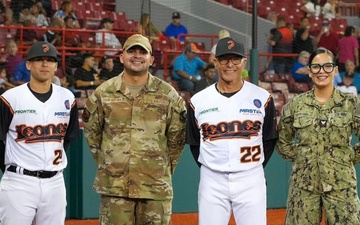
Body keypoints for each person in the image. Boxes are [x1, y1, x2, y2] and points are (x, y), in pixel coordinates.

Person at [82, 34, 187, 225]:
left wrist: (158, 169)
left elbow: (176, 140)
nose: (137, 56)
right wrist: (113, 162)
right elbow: (92, 135)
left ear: (151, 59)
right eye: (131, 51)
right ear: (121, 57)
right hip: (115, 188)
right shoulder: (104, 93)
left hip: (155, 187)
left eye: (142, 52)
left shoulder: (167, 94)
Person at [186, 37, 278, 225]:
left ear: (244, 62)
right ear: (216, 61)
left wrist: (251, 168)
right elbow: (195, 143)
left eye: (235, 59)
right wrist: (214, 166)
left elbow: (268, 140)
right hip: (212, 179)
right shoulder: (198, 100)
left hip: (251, 178)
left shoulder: (263, 97)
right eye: (224, 59)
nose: (230, 65)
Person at [276, 47, 360, 225]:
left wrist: (348, 157)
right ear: (309, 71)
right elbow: (283, 141)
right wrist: (301, 158)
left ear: (335, 70)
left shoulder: (351, 103)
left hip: (341, 185)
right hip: (303, 186)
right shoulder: (296, 105)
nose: (322, 72)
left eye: (327, 66)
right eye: (316, 67)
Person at [0, 41, 79, 225]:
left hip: (55, 182)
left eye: (50, 60)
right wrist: (10, 170)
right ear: (28, 64)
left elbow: (68, 138)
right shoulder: (10, 98)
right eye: (39, 59)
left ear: (56, 66)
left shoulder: (67, 97)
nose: (45, 64)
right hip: (19, 182)